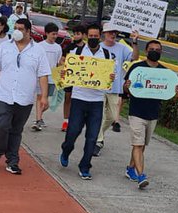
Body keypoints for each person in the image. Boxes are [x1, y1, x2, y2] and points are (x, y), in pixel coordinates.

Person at [0, 17, 50, 174]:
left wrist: (44, 97)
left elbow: (43, 75)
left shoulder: (38, 50)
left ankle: (12, 161)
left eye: (21, 29)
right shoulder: (4, 47)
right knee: (1, 126)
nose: (17, 32)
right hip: (4, 94)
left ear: (28, 31)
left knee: (16, 130)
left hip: (25, 97)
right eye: (16, 28)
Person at [59, 23, 112, 180]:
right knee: (73, 131)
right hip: (79, 99)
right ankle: (66, 149)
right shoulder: (77, 52)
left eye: (96, 36)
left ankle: (85, 166)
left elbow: (109, 80)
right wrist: (64, 70)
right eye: (91, 36)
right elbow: (66, 70)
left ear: (100, 37)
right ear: (86, 36)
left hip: (96, 101)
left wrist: (110, 78)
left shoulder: (107, 56)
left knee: (92, 136)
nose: (94, 39)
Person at [123, 39, 167, 190]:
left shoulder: (164, 71)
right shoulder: (136, 68)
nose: (155, 51)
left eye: (158, 49)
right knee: (138, 143)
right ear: (147, 51)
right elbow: (126, 89)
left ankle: (130, 168)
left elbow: (167, 92)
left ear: (160, 52)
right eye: (152, 49)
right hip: (136, 112)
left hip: (153, 113)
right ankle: (141, 175)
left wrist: (174, 90)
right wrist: (127, 87)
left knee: (141, 146)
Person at [94, 25, 140, 154]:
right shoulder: (98, 47)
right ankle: (98, 141)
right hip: (100, 87)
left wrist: (135, 42)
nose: (113, 35)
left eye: (115, 32)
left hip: (115, 88)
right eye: (110, 32)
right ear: (104, 33)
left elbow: (134, 57)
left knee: (112, 117)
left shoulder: (121, 48)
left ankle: (99, 134)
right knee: (100, 115)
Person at [32, 21, 63, 131]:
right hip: (41, 77)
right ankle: (38, 119)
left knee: (47, 102)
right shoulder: (39, 46)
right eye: (52, 34)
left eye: (56, 34)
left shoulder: (58, 48)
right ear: (46, 33)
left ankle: (39, 117)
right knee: (40, 97)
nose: (55, 36)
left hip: (52, 78)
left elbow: (59, 63)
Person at [60, 22, 85, 132]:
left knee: (79, 100)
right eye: (74, 34)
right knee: (68, 98)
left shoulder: (87, 48)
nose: (76, 36)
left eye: (78, 34)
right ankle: (66, 121)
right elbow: (62, 59)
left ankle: (76, 121)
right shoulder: (69, 47)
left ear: (84, 35)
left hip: (82, 78)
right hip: (70, 77)